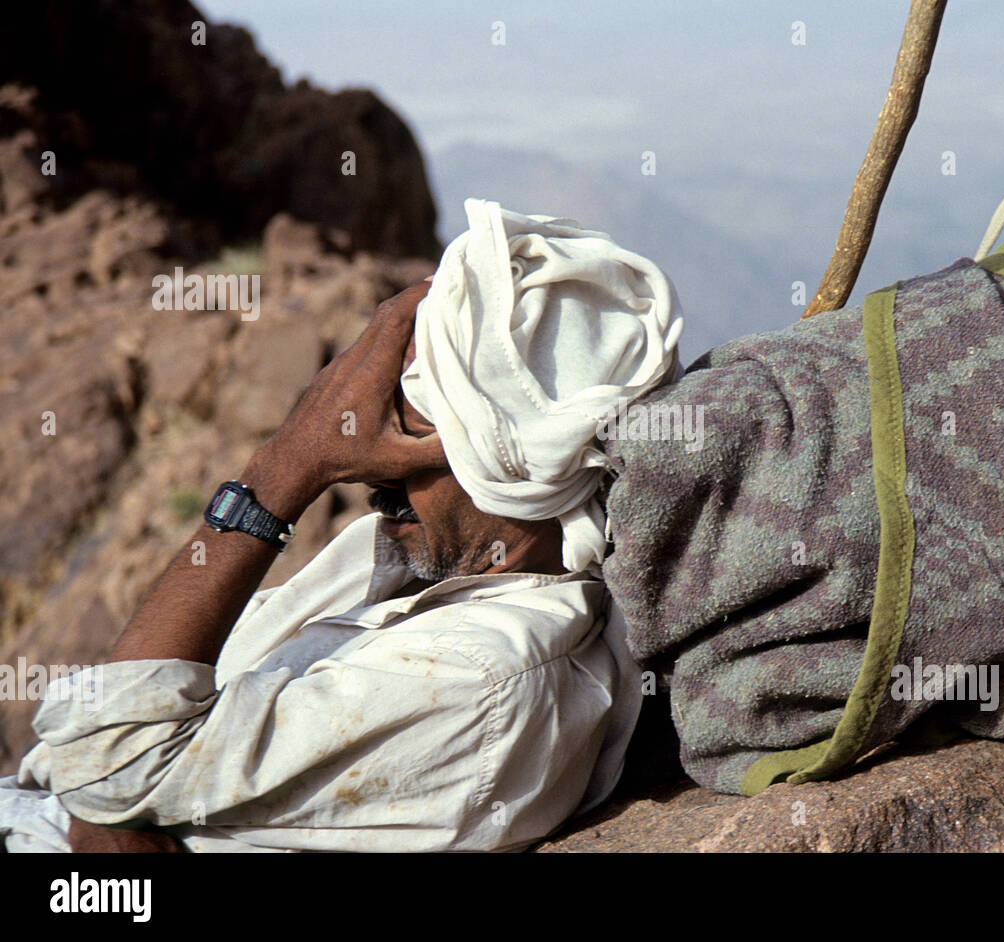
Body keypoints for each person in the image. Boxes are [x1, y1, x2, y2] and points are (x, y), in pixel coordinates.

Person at [0, 199, 683, 852]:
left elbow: (105, 769)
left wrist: (284, 468)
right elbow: (97, 772)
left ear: (517, 463)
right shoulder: (407, 557)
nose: (364, 468)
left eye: (407, 437)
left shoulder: (488, 678)